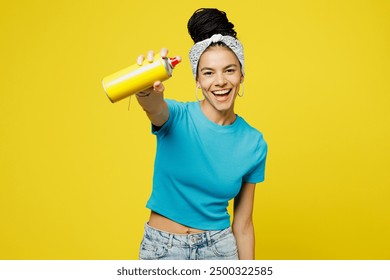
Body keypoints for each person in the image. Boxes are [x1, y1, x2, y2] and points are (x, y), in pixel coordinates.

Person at [135, 8, 267, 260]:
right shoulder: (176, 116)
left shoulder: (254, 143)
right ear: (197, 80)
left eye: (229, 70)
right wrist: (145, 91)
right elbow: (154, 106)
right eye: (208, 72)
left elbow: (244, 224)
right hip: (162, 249)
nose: (220, 81)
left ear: (241, 75)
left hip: (219, 249)